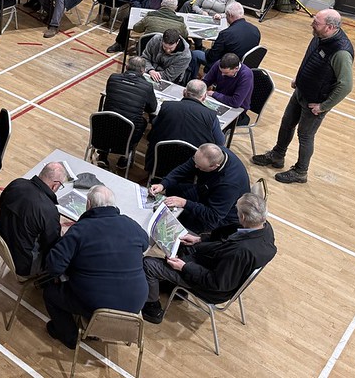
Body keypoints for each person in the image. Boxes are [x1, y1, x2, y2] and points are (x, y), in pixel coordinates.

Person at [141, 193, 276, 324]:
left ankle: (152, 308)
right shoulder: (264, 228)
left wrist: (184, 267)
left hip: (210, 286)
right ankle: (172, 285)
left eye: (237, 210)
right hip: (214, 263)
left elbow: (216, 283)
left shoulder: (240, 252)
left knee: (148, 264)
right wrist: (199, 239)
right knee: (180, 241)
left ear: (243, 217)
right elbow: (224, 239)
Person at [252, 9, 354, 184]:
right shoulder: (319, 36)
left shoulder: (341, 52)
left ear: (329, 27)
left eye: (316, 22)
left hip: (316, 102)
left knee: (305, 136)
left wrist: (324, 106)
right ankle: (277, 156)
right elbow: (310, 59)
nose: (312, 24)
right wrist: (298, 78)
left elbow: (346, 85)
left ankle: (301, 171)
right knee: (286, 124)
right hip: (302, 91)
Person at [42, 185, 149, 349]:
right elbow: (145, 243)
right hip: (135, 305)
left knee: (50, 293)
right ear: (113, 205)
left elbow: (54, 266)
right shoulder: (130, 224)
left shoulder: (80, 230)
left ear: (89, 205)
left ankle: (68, 336)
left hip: (96, 306)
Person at [149, 144, 250, 235]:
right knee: (172, 190)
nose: (195, 167)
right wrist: (163, 184)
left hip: (221, 216)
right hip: (204, 192)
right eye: (195, 162)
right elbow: (184, 169)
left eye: (200, 167)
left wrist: (185, 203)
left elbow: (213, 215)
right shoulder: (208, 154)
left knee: (180, 223)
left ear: (214, 166)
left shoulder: (229, 185)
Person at [0, 162, 66, 276]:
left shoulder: (16, 183)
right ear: (55, 185)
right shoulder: (49, 211)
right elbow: (51, 245)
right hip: (23, 264)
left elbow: (1, 203)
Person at [145, 79, 225, 171]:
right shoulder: (211, 116)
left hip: (159, 160)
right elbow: (220, 142)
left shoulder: (167, 106)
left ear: (184, 92)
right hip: (191, 167)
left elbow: (154, 125)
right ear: (204, 97)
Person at [106, 0, 181, 53]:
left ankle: (151, 48)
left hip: (162, 14)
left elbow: (173, 6)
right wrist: (141, 11)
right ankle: (120, 43)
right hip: (144, 11)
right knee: (127, 19)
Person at [100, 56, 158, 169]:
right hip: (129, 132)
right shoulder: (147, 86)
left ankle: (103, 155)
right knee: (143, 122)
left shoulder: (113, 78)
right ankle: (125, 157)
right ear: (143, 71)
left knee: (111, 116)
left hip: (105, 126)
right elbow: (152, 108)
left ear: (126, 67)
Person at [194, 2, 261, 72]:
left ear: (230, 15)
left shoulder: (225, 34)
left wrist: (207, 51)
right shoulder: (255, 30)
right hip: (243, 68)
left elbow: (212, 57)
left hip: (227, 67)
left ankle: (192, 80)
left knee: (195, 53)